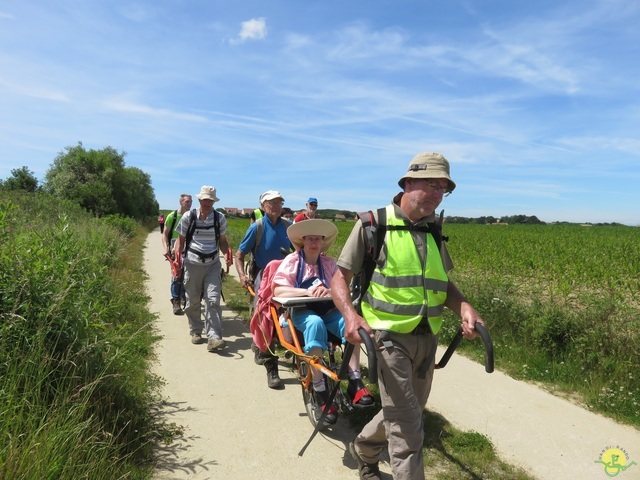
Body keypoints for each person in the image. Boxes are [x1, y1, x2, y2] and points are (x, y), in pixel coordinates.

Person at [330, 152, 485, 480]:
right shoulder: (373, 224)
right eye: (431, 184)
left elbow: (443, 283)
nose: (437, 193)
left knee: (407, 413)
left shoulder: (434, 229)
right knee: (409, 430)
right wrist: (349, 316)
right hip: (388, 339)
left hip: (428, 339)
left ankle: (365, 448)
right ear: (407, 182)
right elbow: (339, 278)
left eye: (443, 188)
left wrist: (465, 307)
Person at [272, 219, 374, 424]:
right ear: (302, 241)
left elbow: (341, 287)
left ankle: (355, 379)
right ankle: (320, 388)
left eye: (317, 239)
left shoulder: (328, 263)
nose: (314, 242)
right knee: (314, 323)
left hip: (328, 309)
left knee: (350, 323)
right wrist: (306, 291)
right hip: (301, 310)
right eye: (310, 239)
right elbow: (278, 289)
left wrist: (329, 290)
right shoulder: (293, 261)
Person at [234, 190, 291, 388]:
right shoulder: (257, 227)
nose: (276, 206)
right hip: (263, 275)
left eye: (279, 202)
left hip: (285, 277)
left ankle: (279, 346)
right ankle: (270, 364)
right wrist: (242, 276)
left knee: (289, 315)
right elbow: (239, 254)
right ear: (262, 206)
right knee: (265, 315)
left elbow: (300, 249)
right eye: (272, 202)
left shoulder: (288, 226)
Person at [174, 186, 232, 352]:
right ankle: (196, 331)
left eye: (210, 200)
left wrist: (226, 253)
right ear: (199, 200)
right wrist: (178, 259)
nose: (207, 202)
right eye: (205, 199)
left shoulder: (219, 218)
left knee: (213, 300)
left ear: (214, 201)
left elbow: (222, 240)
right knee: (192, 300)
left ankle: (214, 337)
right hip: (192, 264)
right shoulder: (188, 216)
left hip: (213, 264)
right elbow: (181, 240)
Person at [162, 194, 193, 315]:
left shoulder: (192, 216)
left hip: (189, 248)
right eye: (187, 202)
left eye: (190, 202)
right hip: (175, 249)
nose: (189, 204)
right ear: (180, 202)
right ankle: (176, 301)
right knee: (176, 275)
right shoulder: (173, 216)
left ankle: (185, 297)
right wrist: (166, 248)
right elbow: (165, 233)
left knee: (189, 275)